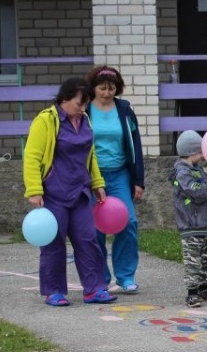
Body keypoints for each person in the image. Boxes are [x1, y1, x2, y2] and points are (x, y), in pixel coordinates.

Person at [23, 77, 117, 306]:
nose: (83, 108)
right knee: (54, 243)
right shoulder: (46, 120)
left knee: (88, 240)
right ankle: (53, 291)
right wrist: (34, 190)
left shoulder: (85, 120)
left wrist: (98, 183)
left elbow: (90, 155)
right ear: (64, 99)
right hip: (54, 193)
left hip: (80, 192)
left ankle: (94, 289)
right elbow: (32, 156)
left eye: (86, 104)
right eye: (79, 103)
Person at [86, 65, 146, 294]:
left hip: (120, 173)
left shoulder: (124, 109)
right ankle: (100, 278)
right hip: (91, 177)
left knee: (128, 222)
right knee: (94, 230)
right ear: (94, 88)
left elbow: (135, 145)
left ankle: (126, 276)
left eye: (111, 89)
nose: (107, 93)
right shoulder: (85, 110)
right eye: (102, 88)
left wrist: (138, 180)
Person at [169, 130, 207, 308]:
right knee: (193, 261)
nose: (203, 155)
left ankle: (203, 288)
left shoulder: (197, 169)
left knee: (205, 260)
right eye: (201, 151)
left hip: (204, 224)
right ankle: (191, 293)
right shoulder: (182, 173)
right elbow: (198, 192)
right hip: (191, 225)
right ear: (192, 152)